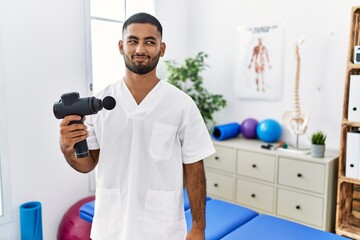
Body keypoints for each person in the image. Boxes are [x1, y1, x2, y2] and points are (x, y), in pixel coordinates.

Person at [58, 12, 215, 240]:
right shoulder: (99, 103)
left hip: (162, 228)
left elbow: (194, 167)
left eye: (150, 42)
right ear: (121, 46)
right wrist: (67, 149)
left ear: (162, 49)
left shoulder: (182, 105)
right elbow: (87, 165)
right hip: (111, 227)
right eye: (133, 41)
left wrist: (198, 227)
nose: (140, 49)